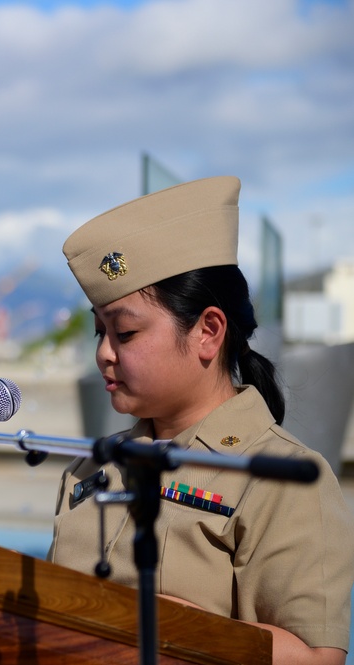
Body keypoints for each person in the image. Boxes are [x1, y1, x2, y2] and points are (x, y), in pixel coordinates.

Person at [46, 176, 354, 665]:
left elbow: (315, 658)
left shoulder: (283, 478)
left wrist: (163, 623)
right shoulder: (90, 471)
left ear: (208, 331)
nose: (104, 353)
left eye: (125, 332)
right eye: (100, 330)